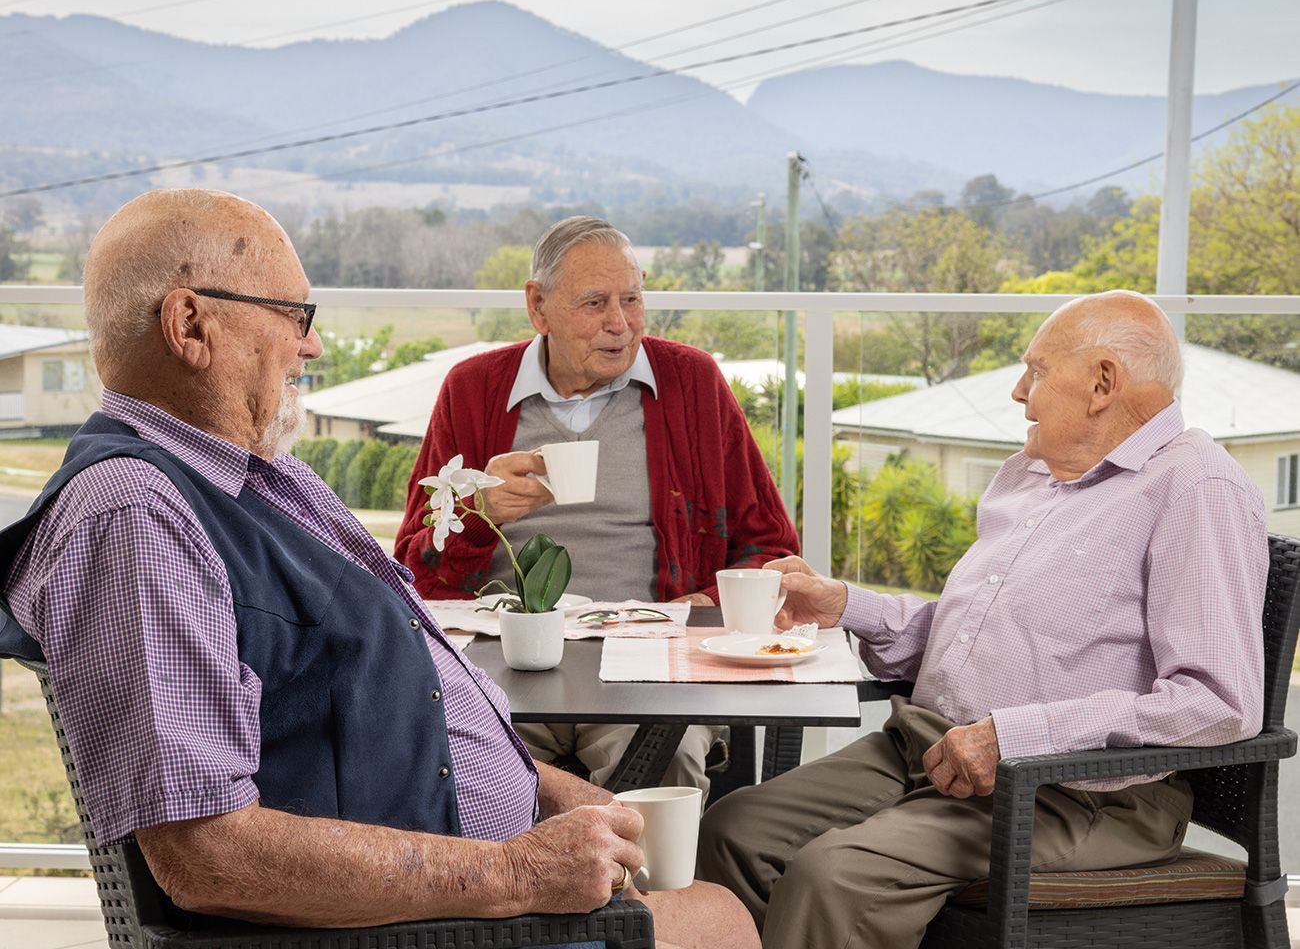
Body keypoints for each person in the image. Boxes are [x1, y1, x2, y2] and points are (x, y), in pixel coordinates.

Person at [0, 190, 758, 949]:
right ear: (191, 326)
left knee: (712, 902)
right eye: (294, 315)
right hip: (434, 924)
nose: (312, 346)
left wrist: (562, 799)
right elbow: (206, 856)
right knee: (723, 923)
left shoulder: (261, 476)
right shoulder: (135, 515)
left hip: (466, 880)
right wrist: (518, 873)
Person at [696, 290, 1268, 949]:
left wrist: (1012, 737)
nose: (1020, 392)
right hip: (929, 745)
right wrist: (847, 605)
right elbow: (977, 636)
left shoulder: (1196, 488)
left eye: (1038, 371)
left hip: (1076, 792)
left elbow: (1217, 703)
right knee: (735, 829)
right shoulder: (1033, 475)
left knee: (835, 876)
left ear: (1103, 383)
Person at [393, 215, 799, 793]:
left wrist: (705, 603)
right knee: (448, 767)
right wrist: (479, 515)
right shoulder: (473, 390)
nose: (620, 323)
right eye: (594, 303)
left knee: (666, 765)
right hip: (504, 663)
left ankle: (643, 860)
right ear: (538, 307)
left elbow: (772, 549)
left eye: (631, 299)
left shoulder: (693, 384)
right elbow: (410, 573)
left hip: (645, 661)